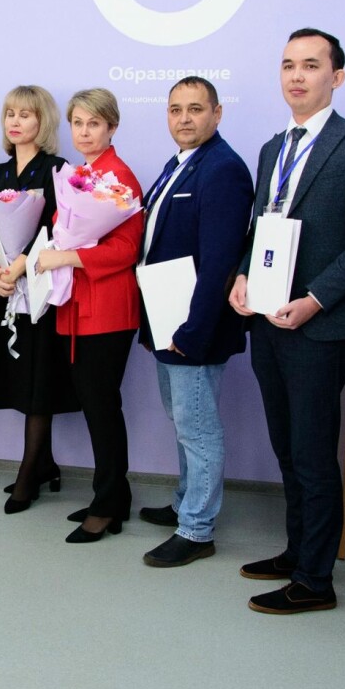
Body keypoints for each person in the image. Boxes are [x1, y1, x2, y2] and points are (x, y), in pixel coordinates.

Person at [228, 28, 345, 613]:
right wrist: (242, 275)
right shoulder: (273, 148)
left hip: (318, 326)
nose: (297, 75)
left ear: (335, 77)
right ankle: (297, 552)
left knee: (316, 455)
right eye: (288, 65)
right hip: (267, 320)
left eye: (311, 65)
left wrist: (316, 299)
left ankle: (317, 580)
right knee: (288, 448)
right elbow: (260, 227)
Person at [136, 77, 254, 567]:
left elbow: (221, 261)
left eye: (195, 109)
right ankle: (187, 500)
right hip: (167, 321)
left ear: (217, 113)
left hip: (193, 329)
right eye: (175, 109)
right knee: (185, 423)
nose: (184, 118)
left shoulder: (223, 168)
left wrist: (193, 331)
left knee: (199, 429)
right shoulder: (180, 163)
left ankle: (197, 529)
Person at [35, 88, 143, 543]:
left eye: (94, 123)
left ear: (111, 127)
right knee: (96, 406)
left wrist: (66, 257)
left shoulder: (120, 177)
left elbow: (125, 250)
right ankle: (112, 495)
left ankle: (107, 505)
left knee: (102, 408)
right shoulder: (80, 173)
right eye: (77, 123)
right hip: (78, 306)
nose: (84, 131)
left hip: (108, 308)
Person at [0, 85, 79, 514]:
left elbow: (57, 231)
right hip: (3, 290)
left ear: (43, 121)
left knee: (40, 380)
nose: (15, 122)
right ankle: (45, 463)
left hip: (39, 293)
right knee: (19, 379)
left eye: (26, 114)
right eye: (10, 114)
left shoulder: (58, 170)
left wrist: (18, 267)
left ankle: (29, 472)